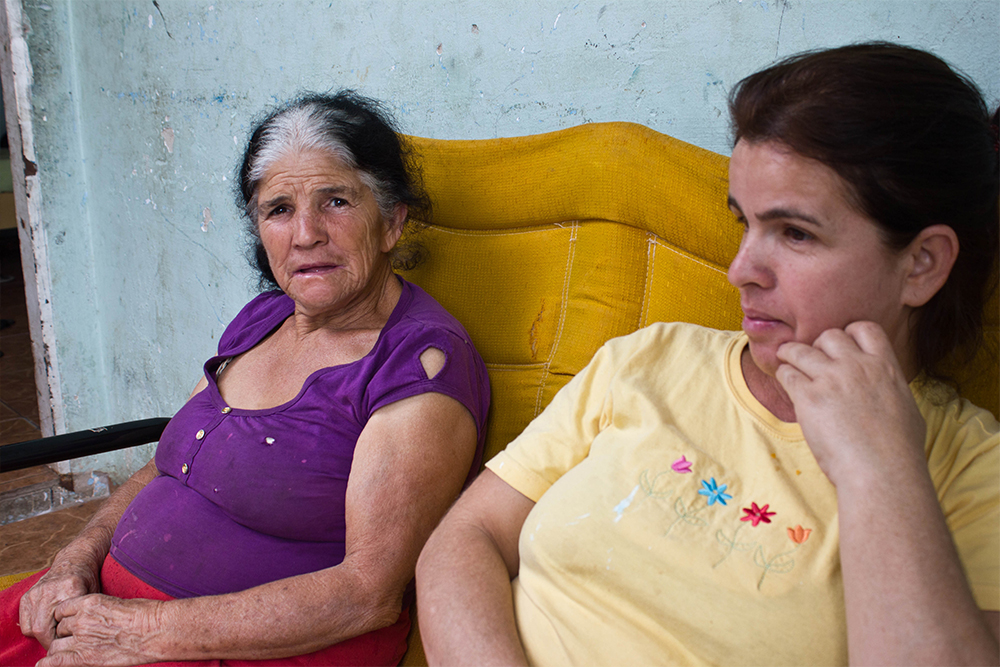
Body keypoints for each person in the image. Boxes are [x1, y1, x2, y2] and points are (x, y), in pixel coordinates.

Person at [416, 42, 999, 666]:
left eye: (795, 233)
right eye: (744, 223)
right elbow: (466, 538)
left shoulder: (970, 471)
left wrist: (879, 469)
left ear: (922, 264)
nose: (740, 270)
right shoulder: (653, 357)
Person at [0, 91, 490, 666]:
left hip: (242, 649)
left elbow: (366, 594)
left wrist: (138, 632)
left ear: (391, 222)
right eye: (278, 209)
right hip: (108, 620)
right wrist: (74, 560)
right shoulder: (264, 319)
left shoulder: (417, 365)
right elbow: (166, 467)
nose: (305, 234)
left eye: (335, 201)